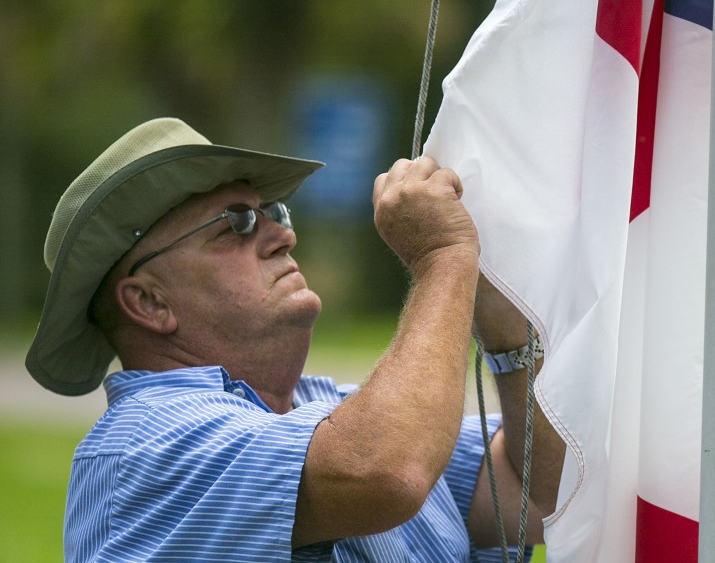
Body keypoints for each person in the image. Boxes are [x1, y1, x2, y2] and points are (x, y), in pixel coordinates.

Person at [26, 118, 565, 562]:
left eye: (272, 213)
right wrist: (443, 258)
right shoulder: (145, 444)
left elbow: (541, 495)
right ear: (149, 303)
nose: (283, 234)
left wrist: (502, 327)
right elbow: (386, 471)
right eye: (234, 225)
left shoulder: (328, 408)